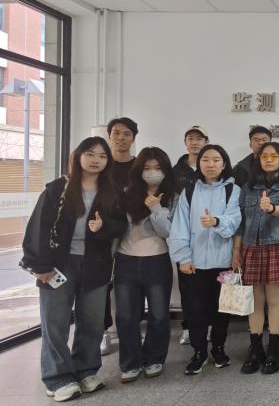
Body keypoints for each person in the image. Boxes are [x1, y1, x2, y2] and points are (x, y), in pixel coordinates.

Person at [21, 137, 127, 402]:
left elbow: (120, 226)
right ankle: (57, 378)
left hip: (96, 263)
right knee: (55, 322)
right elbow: (39, 227)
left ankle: (86, 371)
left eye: (102, 156)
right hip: (60, 264)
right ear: (78, 156)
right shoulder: (58, 188)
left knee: (91, 321)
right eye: (90, 154)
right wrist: (41, 266)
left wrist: (103, 228)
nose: (96, 160)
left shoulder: (112, 191)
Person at [168, 144, 242, 375]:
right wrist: (183, 258)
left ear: (224, 163)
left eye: (216, 160)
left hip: (224, 262)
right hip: (195, 263)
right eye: (205, 160)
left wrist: (217, 222)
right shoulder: (189, 191)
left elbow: (235, 220)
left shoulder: (233, 190)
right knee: (195, 310)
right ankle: (199, 351)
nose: (211, 164)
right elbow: (179, 226)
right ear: (198, 164)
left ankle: (218, 348)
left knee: (222, 310)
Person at [232, 142, 279, 375]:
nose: (269, 160)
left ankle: (274, 349)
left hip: (275, 247)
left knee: (274, 299)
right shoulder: (248, 188)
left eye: (274, 156)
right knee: (255, 301)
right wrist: (236, 251)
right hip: (250, 248)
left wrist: (271, 208)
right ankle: (255, 349)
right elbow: (240, 222)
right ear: (258, 160)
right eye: (264, 156)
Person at [115, 147, 176, 383]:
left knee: (159, 314)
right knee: (126, 316)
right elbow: (117, 228)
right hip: (126, 260)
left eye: (157, 168)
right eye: (147, 168)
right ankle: (130, 363)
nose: (152, 172)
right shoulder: (126, 194)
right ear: (139, 170)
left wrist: (156, 209)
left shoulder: (172, 195)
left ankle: (154, 358)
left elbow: (167, 232)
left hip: (157, 260)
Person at [102, 116, 139, 355]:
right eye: (116, 133)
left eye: (126, 134)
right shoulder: (102, 165)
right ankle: (104, 331)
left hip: (135, 232)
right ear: (109, 136)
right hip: (105, 231)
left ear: (133, 138)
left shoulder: (139, 167)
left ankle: (134, 328)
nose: (121, 138)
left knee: (133, 283)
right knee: (102, 283)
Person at [172, 125, 209, 346]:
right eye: (190, 138)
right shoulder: (176, 171)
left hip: (210, 234)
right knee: (187, 286)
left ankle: (208, 325)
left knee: (208, 286)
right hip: (185, 233)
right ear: (185, 142)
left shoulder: (213, 167)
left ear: (206, 141)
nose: (194, 142)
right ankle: (188, 326)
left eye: (199, 138)